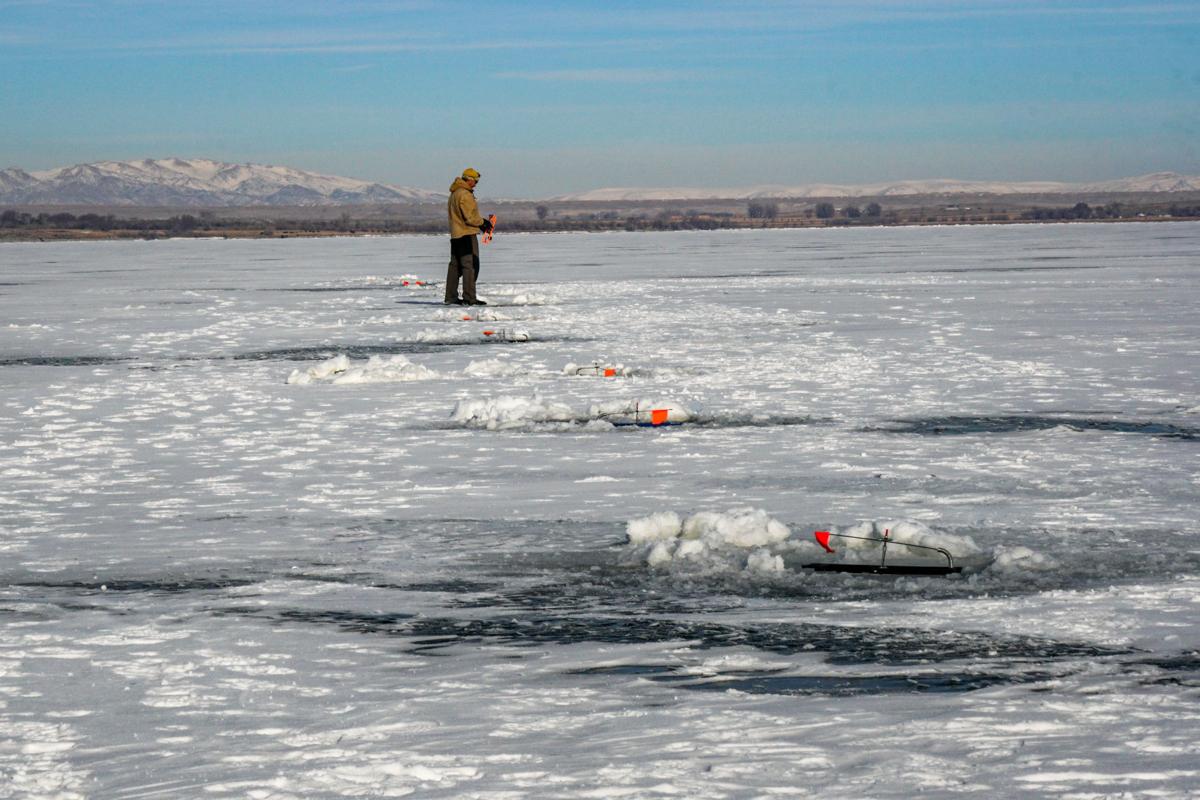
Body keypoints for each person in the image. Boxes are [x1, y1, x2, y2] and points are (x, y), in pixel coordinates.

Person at [444, 167, 493, 305]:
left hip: (455, 235)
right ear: (469, 180)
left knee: (454, 266)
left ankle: (450, 297)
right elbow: (470, 217)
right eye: (475, 181)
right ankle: (470, 298)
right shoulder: (465, 194)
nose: (476, 184)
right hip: (466, 234)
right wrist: (483, 222)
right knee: (470, 266)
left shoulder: (454, 193)